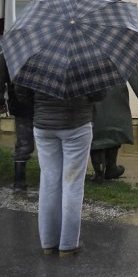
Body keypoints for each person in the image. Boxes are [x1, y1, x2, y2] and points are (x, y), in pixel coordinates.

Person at [19, 85, 106, 256]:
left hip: (44, 125)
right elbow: (99, 94)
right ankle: (68, 244)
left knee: (49, 182)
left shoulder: (35, 59)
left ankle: (48, 243)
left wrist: (41, 105)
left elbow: (23, 94)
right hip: (77, 124)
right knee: (72, 183)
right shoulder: (84, 59)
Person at [90, 64, 138, 181]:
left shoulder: (86, 47)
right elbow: (131, 68)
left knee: (96, 134)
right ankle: (111, 168)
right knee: (114, 130)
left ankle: (99, 171)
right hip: (116, 94)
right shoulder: (118, 48)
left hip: (93, 92)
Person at [0, 50, 35, 192]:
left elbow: (1, 79)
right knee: (50, 144)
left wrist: (2, 100)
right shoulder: (43, 50)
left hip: (21, 105)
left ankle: (19, 182)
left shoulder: (9, 52)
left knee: (24, 142)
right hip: (43, 104)